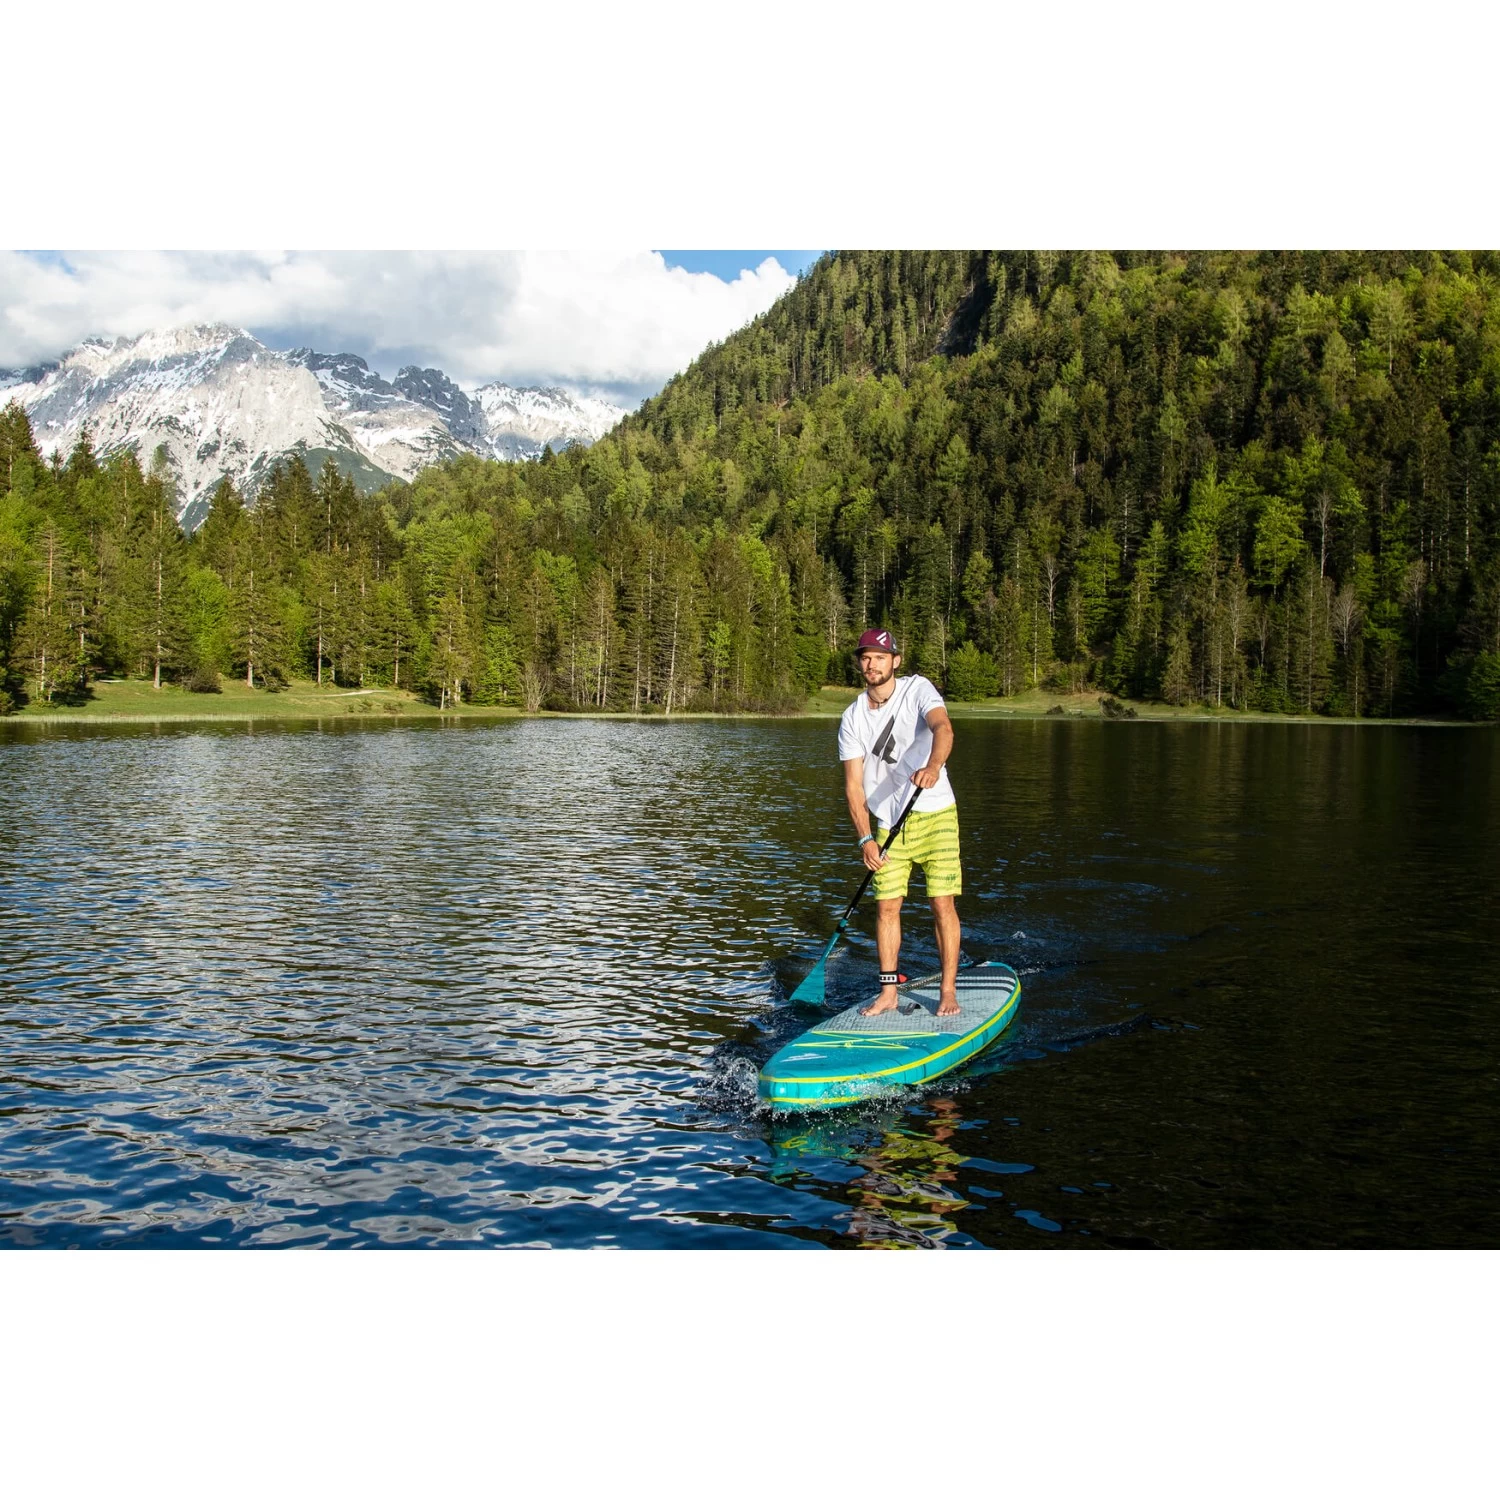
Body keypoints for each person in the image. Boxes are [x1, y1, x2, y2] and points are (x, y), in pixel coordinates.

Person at [836, 627, 963, 1018]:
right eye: (865, 658)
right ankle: (888, 992)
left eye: (880, 657)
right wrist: (865, 840)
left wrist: (933, 766)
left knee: (941, 903)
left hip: (936, 813)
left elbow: (943, 728)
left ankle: (947, 990)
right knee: (887, 908)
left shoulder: (918, 689)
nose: (872, 664)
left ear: (895, 661)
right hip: (888, 824)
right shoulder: (852, 717)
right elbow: (853, 785)